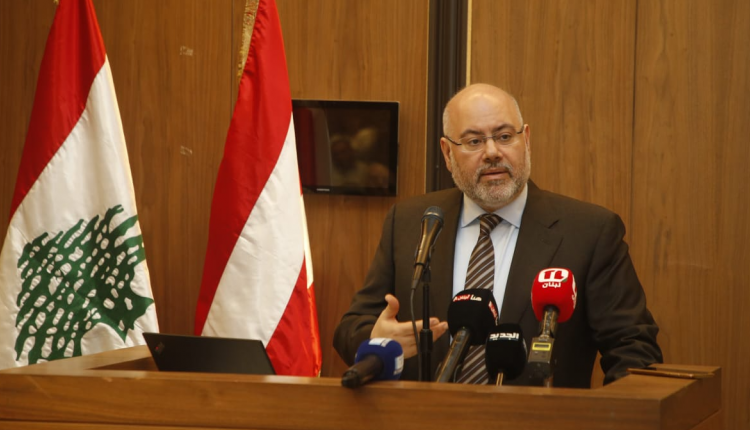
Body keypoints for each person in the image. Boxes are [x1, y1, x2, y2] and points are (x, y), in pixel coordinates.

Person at [333, 83, 663, 387]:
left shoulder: (589, 231)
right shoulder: (411, 222)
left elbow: (633, 348)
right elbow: (351, 326)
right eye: (474, 141)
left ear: (526, 140)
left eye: (504, 136)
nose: (492, 152)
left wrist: (611, 416)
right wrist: (376, 339)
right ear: (447, 153)